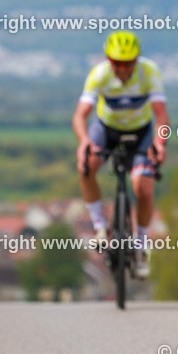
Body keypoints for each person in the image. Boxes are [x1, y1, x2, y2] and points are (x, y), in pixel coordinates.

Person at [73, 31, 168, 278]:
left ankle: (142, 246)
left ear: (137, 60)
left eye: (128, 63)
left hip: (140, 131)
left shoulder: (149, 72)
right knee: (86, 165)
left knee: (143, 187)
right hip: (107, 128)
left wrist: (160, 142)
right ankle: (100, 226)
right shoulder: (99, 74)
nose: (123, 69)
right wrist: (84, 142)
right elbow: (80, 115)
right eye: (117, 63)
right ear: (108, 60)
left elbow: (161, 115)